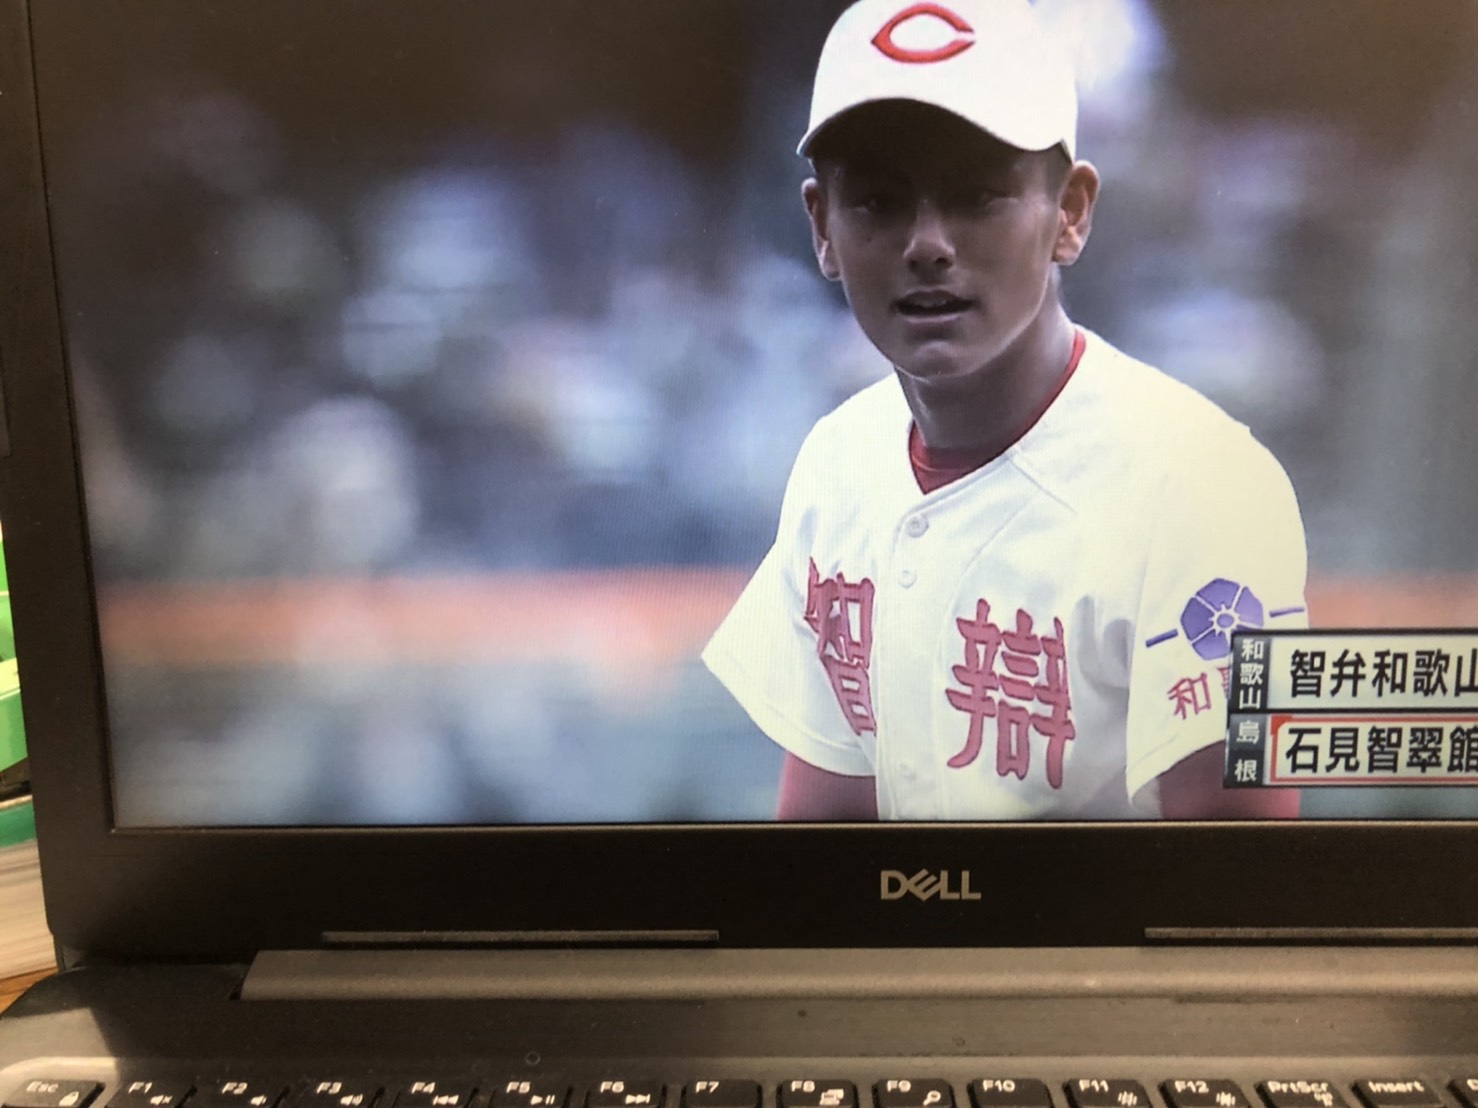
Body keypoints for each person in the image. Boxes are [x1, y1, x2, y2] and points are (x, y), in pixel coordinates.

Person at [703, 0, 1307, 820]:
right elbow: (822, 849)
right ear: (821, 228)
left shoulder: (1205, 486)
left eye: (978, 196)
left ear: (1071, 213)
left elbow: (1245, 880)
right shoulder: (837, 459)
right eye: (878, 202)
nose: (927, 244)